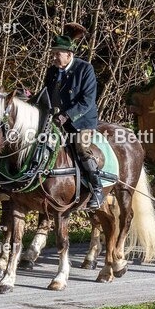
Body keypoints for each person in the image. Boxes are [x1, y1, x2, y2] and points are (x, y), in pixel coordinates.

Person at [43, 22, 104, 210]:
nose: (53, 57)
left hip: (81, 122)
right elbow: (46, 93)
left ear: (69, 54)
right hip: (57, 121)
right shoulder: (52, 71)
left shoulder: (85, 69)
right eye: (52, 53)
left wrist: (66, 116)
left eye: (56, 54)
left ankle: (97, 188)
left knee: (81, 147)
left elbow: (87, 102)